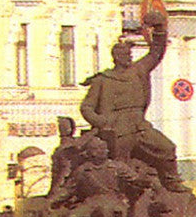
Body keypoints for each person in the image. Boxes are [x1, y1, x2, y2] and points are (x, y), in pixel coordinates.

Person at [79, 16, 186, 192]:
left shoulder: (138, 70)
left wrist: (159, 29)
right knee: (121, 165)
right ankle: (119, 196)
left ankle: (171, 181)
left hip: (139, 125)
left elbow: (156, 52)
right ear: (116, 57)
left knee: (167, 148)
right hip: (118, 129)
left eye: (129, 55)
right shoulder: (102, 80)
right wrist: (101, 122)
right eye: (125, 55)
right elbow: (86, 107)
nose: (129, 58)